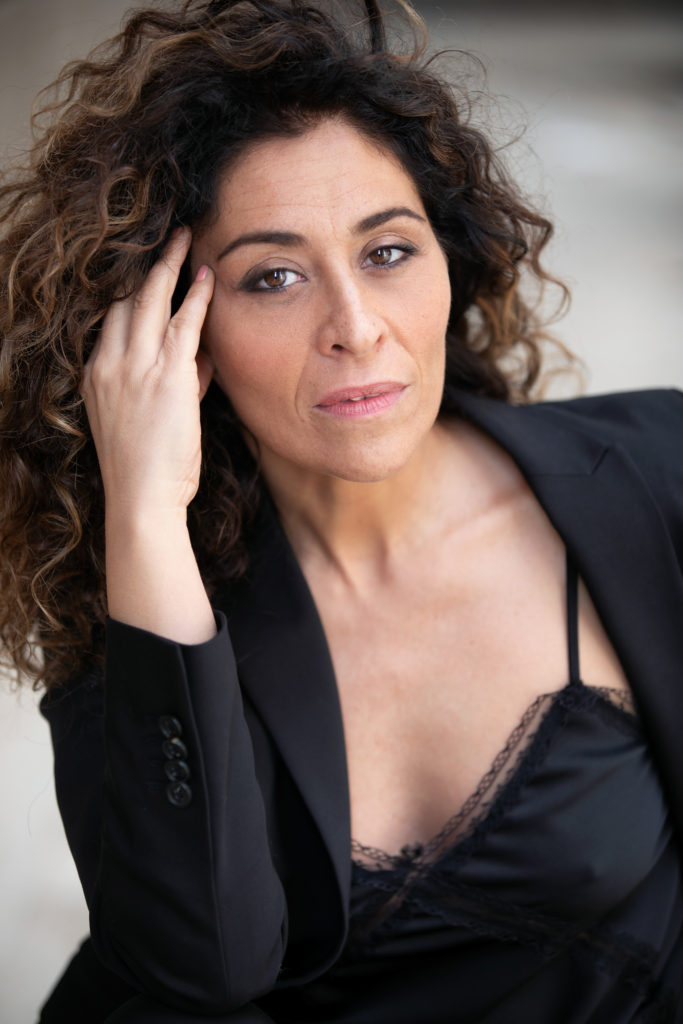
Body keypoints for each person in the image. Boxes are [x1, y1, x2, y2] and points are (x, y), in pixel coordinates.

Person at [1, 0, 682, 1020]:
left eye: (387, 251)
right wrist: (143, 509)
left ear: (451, 259)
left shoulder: (654, 469)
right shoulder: (147, 602)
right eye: (273, 277)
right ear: (168, 332)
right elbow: (196, 972)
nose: (354, 328)